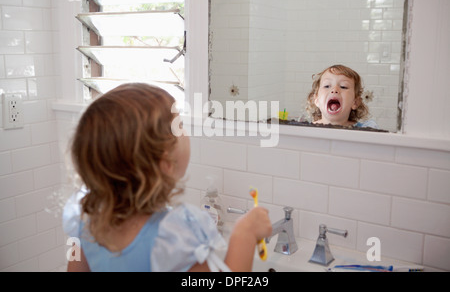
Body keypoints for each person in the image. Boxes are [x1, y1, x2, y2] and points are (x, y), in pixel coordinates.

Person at [63, 83, 272, 272]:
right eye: (179, 125)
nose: (185, 131)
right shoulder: (173, 237)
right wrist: (245, 234)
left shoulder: (86, 225)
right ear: (166, 163)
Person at [306, 64, 378, 128]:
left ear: (355, 102)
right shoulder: (306, 130)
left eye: (343, 87)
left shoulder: (366, 130)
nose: (334, 90)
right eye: (327, 86)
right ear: (317, 100)